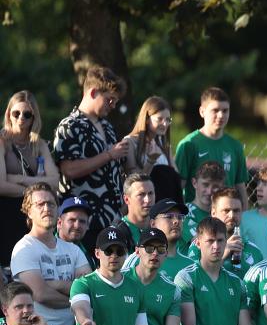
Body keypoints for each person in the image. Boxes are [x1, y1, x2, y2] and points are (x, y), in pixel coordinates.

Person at [175, 217, 267, 325]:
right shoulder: (186, 277)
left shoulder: (237, 283)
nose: (216, 246)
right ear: (198, 243)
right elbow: (189, 324)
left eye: (220, 240)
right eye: (210, 241)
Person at [10, 184, 91, 325]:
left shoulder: (73, 249)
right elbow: (41, 294)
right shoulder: (24, 248)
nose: (47, 208)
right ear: (28, 212)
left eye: (51, 204)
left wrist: (57, 284)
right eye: (40, 204)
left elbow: (88, 289)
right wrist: (76, 300)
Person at [51, 66, 129, 248]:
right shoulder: (69, 126)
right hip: (84, 222)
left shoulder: (107, 126)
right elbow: (69, 170)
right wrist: (109, 155)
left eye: (116, 101)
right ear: (93, 92)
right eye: (109, 99)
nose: (113, 105)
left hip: (114, 219)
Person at [70, 226, 149, 325]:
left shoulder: (136, 287)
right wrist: (85, 320)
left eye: (119, 251)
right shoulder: (83, 283)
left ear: (126, 254)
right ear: (97, 253)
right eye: (108, 251)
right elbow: (80, 306)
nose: (114, 255)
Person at [0, 91, 59, 261]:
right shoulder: (2, 141)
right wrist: (36, 190)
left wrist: (18, 179)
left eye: (27, 114)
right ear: (8, 114)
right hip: (6, 213)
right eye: (16, 113)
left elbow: (54, 182)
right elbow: (1, 186)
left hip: (34, 215)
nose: (21, 118)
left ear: (34, 117)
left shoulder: (39, 144)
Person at [125, 228, 190, 325]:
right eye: (149, 248)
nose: (155, 253)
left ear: (166, 254)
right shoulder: (121, 279)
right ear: (137, 251)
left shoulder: (172, 290)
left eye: (160, 249)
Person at [175, 87, 249, 207]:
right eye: (215, 110)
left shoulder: (235, 146)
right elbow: (178, 187)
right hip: (196, 215)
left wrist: (244, 215)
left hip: (225, 213)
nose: (221, 115)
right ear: (202, 112)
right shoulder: (189, 144)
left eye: (225, 111)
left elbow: (240, 186)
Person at [188, 187, 264, 276]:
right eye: (226, 211)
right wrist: (224, 252)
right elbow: (195, 278)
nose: (232, 215)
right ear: (213, 213)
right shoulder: (199, 246)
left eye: (236, 211)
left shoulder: (254, 250)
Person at [123, 199, 193, 278]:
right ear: (153, 224)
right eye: (169, 216)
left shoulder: (191, 265)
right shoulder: (139, 258)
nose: (176, 221)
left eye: (180, 217)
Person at [179, 161, 225, 255]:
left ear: (222, 187)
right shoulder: (184, 213)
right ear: (194, 183)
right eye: (205, 184)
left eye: (215, 186)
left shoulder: (223, 213)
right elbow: (206, 245)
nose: (209, 191)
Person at [124, 96, 174, 174]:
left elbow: (175, 176)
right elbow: (133, 179)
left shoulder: (164, 145)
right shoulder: (130, 142)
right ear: (147, 119)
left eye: (168, 119)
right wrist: (151, 160)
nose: (165, 124)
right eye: (160, 119)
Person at [56, 196, 95, 269]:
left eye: (82, 221)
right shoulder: (46, 249)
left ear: (87, 225)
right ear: (59, 223)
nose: (77, 226)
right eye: (72, 220)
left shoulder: (90, 256)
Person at [119, 173, 156, 246]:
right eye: (141, 194)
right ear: (126, 199)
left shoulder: (161, 228)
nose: (147, 200)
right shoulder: (118, 233)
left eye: (150, 193)